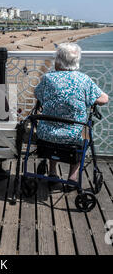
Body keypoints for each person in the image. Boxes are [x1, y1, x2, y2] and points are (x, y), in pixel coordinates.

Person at [35, 43, 109, 190]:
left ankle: (52, 172)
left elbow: (37, 94)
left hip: (46, 134)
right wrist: (90, 99)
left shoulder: (47, 78)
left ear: (58, 60)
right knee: (85, 131)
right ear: (76, 61)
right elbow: (104, 99)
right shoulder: (83, 80)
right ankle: (72, 177)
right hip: (73, 137)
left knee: (52, 126)